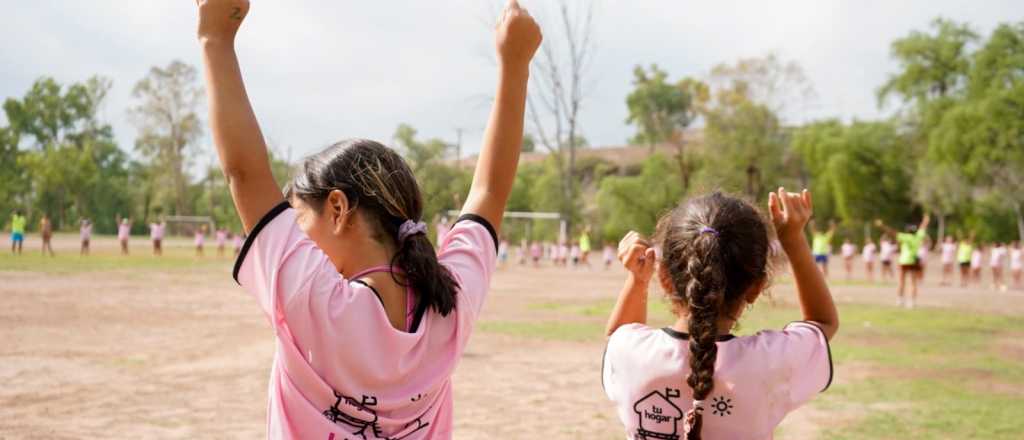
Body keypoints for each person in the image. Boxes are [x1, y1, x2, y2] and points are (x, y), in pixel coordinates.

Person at [196, 1, 540, 438]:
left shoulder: (314, 300)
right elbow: (490, 191)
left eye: (299, 217)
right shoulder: (450, 306)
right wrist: (515, 65)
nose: (296, 234)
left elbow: (244, 174)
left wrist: (214, 39)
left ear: (337, 209)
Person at [603, 189, 837, 440]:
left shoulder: (630, 351)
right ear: (756, 288)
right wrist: (793, 239)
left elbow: (619, 336)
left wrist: (637, 281)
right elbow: (822, 323)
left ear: (665, 279)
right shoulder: (768, 360)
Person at [876, 215, 930, 309]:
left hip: (904, 261)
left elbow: (891, 232)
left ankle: (900, 300)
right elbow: (923, 227)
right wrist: (926, 220)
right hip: (913, 261)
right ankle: (912, 302)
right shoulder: (918, 237)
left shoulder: (905, 237)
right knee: (913, 282)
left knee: (901, 281)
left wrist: (882, 226)